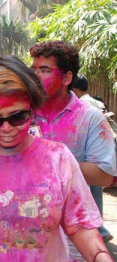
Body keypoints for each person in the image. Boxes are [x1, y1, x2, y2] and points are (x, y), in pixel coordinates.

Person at [0, 55, 113, 262]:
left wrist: (101, 256)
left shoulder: (57, 159)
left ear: (32, 109)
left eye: (17, 117)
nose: (6, 128)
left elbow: (81, 225)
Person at [30, 40, 116, 260]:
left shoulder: (90, 117)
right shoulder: (21, 114)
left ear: (67, 78)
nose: (35, 76)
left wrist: (56, 160)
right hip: (28, 236)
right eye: (34, 70)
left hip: (75, 237)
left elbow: (105, 175)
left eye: (45, 70)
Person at [72, 75, 114, 242]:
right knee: (95, 194)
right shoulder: (96, 102)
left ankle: (96, 230)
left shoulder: (85, 107)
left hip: (89, 159)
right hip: (98, 155)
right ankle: (99, 229)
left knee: (90, 193)